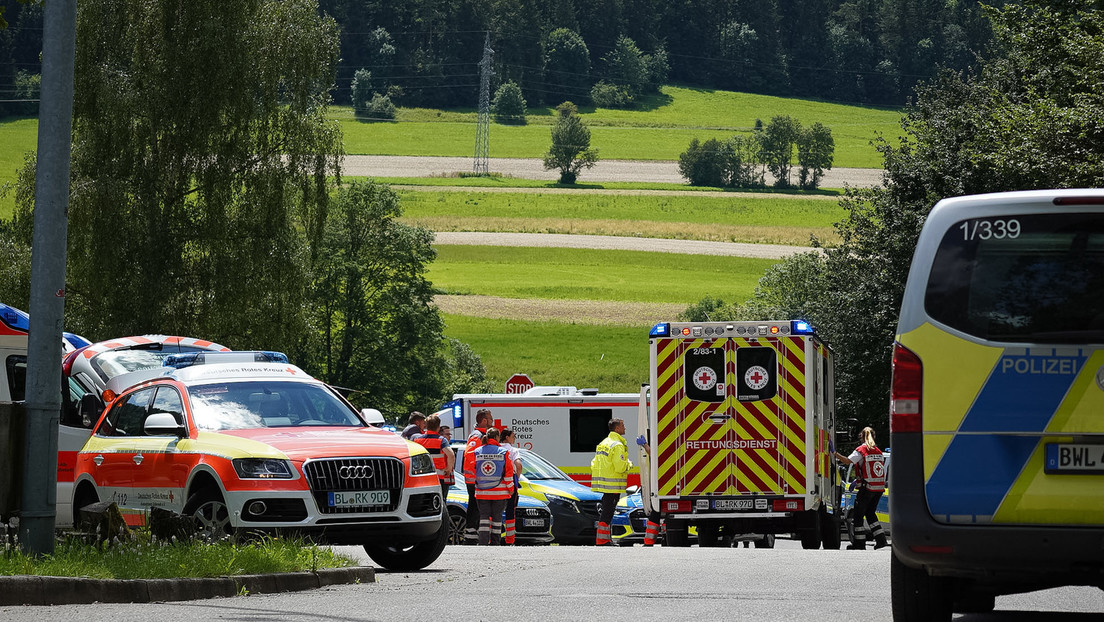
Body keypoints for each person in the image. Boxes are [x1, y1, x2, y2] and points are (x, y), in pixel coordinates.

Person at [834, 426, 888, 550]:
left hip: (867, 488)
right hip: (878, 489)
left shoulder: (862, 450)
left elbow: (848, 461)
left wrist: (834, 453)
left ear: (862, 437)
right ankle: (881, 540)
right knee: (870, 514)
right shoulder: (878, 451)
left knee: (858, 515)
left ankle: (859, 544)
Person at [591, 418, 632, 546]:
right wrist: (629, 464)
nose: (625, 428)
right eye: (623, 425)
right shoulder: (617, 445)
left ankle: (604, 539)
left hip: (604, 485)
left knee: (606, 511)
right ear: (617, 428)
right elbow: (620, 467)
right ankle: (602, 540)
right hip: (613, 485)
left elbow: (593, 463)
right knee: (608, 512)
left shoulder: (604, 443)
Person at [473, 428, 515, 545]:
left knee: (484, 519)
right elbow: (508, 474)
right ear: (497, 437)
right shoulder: (503, 452)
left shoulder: (477, 451)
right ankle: (495, 544)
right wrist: (511, 489)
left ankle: (483, 543)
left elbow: (473, 470)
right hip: (499, 493)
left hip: (482, 493)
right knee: (497, 519)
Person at [462, 408, 493, 543]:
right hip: (475, 479)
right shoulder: (477, 436)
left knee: (478, 507)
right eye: (491, 419)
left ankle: (473, 534)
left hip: (477, 478)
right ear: (484, 420)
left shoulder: (481, 434)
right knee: (475, 507)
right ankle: (470, 535)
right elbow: (469, 456)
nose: (492, 421)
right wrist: (479, 471)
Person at [412, 414, 455, 500]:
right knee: (440, 502)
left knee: (424, 502)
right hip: (438, 477)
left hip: (422, 477)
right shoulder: (441, 440)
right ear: (438, 427)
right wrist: (448, 468)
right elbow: (451, 455)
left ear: (426, 426)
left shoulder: (417, 440)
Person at [635, 433, 662, 547]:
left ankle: (649, 541)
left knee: (656, 511)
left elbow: (655, 455)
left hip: (661, 483)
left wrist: (645, 445)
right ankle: (649, 541)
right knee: (656, 512)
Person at [499, 427, 523, 544]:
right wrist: (516, 478)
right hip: (510, 482)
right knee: (510, 511)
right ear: (507, 437)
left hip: (496, 482)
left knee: (494, 510)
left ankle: (492, 537)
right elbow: (518, 465)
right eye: (513, 436)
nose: (514, 439)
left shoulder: (496, 448)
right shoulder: (512, 450)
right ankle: (510, 540)